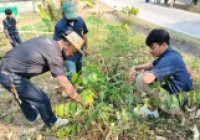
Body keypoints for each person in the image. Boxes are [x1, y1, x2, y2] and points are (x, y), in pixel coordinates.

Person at [0, 36, 81, 127]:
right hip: (10, 74)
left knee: (21, 95)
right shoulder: (55, 53)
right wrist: (78, 98)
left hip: (6, 68)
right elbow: (63, 82)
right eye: (73, 52)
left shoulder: (49, 42)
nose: (72, 55)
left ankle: (32, 116)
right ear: (67, 44)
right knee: (42, 99)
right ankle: (52, 122)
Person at [128, 29, 193, 117]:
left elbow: (146, 79)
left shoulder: (168, 60)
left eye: (153, 47)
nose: (150, 51)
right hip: (180, 100)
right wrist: (135, 67)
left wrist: (143, 73)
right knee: (146, 72)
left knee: (141, 78)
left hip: (174, 105)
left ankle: (150, 109)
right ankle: (141, 102)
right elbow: (151, 64)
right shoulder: (172, 53)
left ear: (163, 45)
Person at [53, 1, 89, 81]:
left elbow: (85, 34)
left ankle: (78, 86)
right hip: (69, 56)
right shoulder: (59, 25)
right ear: (63, 13)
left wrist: (87, 48)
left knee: (79, 72)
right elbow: (57, 42)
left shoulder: (80, 20)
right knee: (72, 75)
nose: (72, 17)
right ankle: (72, 90)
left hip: (80, 53)